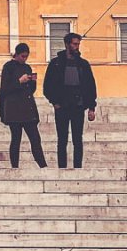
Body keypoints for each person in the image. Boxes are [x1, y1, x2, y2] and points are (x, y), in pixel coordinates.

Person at [42, 32, 98, 169]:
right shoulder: (55, 64)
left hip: (78, 106)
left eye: (78, 44)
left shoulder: (83, 64)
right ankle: (62, 168)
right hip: (62, 106)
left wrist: (91, 107)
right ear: (67, 44)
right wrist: (54, 102)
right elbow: (47, 86)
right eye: (74, 44)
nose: (77, 46)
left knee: (77, 139)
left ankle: (78, 168)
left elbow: (90, 86)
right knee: (62, 139)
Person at [0, 42, 47, 169]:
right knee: (16, 139)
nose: (24, 59)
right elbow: (4, 89)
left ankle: (43, 165)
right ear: (17, 54)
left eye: (26, 56)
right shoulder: (8, 67)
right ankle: (15, 167)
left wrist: (32, 82)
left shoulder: (27, 68)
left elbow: (30, 90)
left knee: (35, 139)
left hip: (27, 108)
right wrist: (19, 81)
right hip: (14, 109)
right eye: (22, 56)